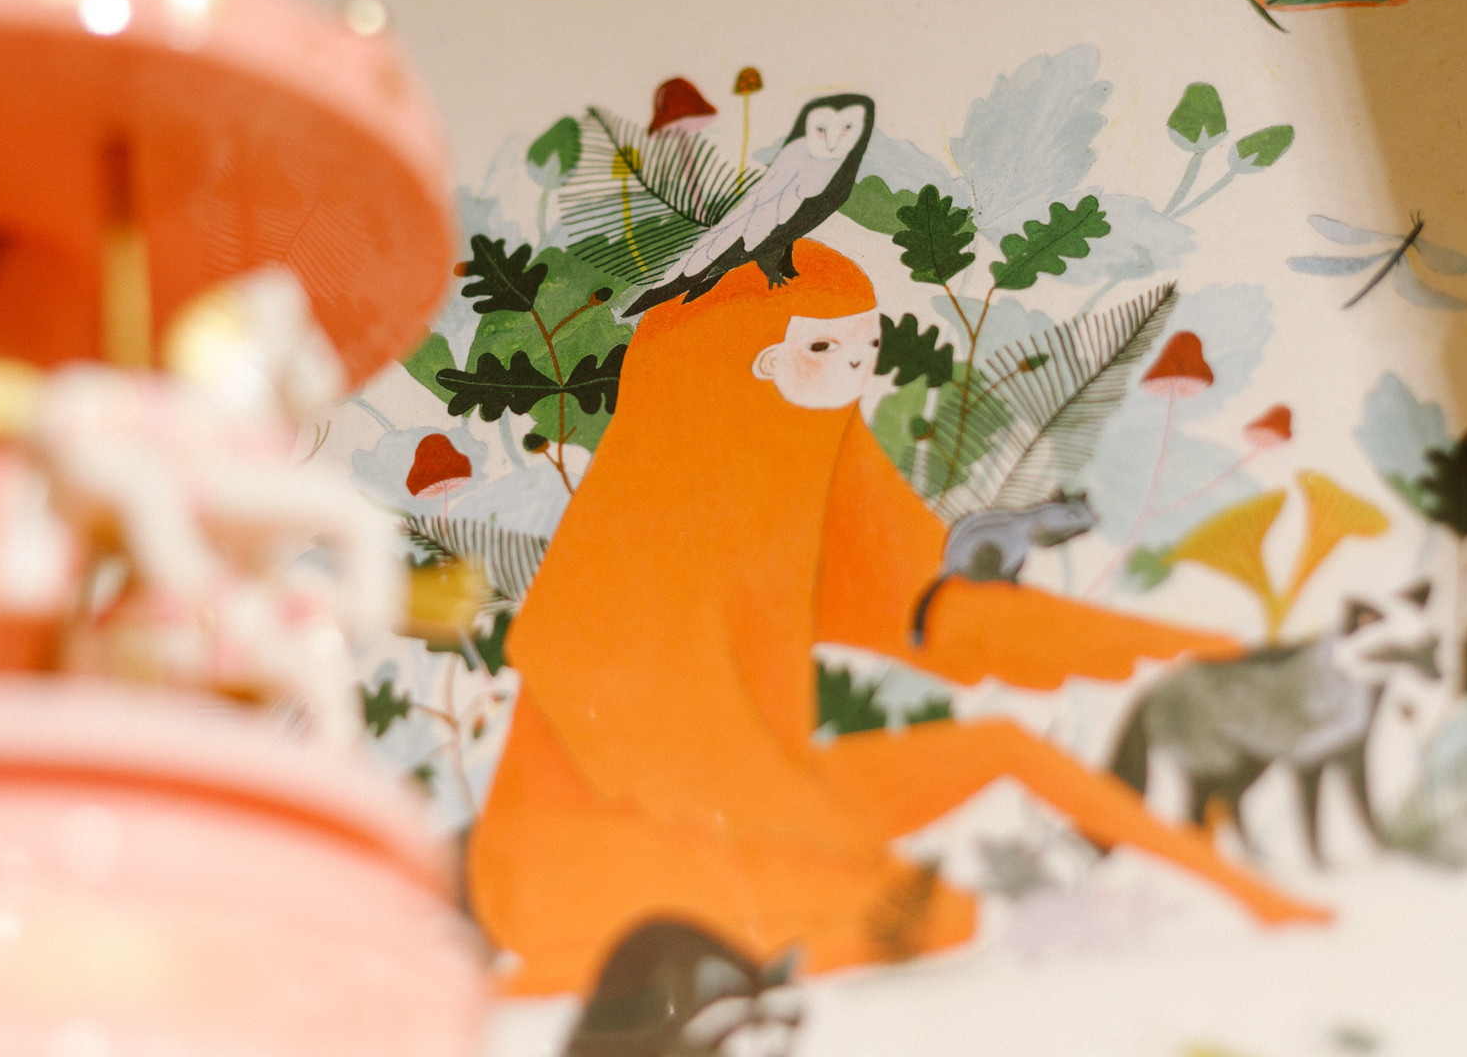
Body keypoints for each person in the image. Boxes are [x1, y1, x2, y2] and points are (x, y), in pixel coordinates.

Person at [470, 239, 1322, 994]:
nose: (854, 369)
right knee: (924, 915)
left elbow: (939, 605)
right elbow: (658, 733)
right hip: (589, 848)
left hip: (764, 799)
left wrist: (1172, 641)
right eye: (822, 348)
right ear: (754, 359)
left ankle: (1251, 895)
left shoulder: (818, 449)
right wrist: (826, 831)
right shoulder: (642, 510)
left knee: (1001, 754)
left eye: (866, 347)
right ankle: (566, 975)